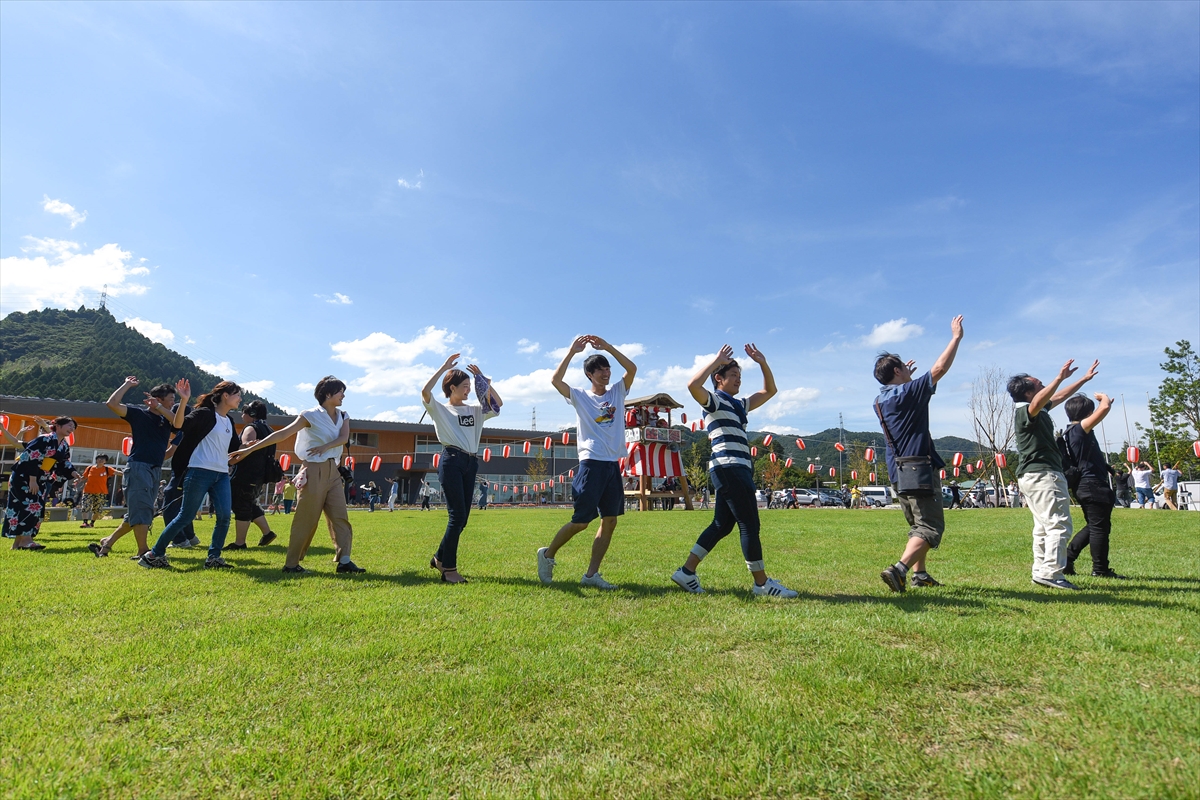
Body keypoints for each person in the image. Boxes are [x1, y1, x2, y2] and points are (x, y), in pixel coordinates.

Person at [670, 343, 797, 598]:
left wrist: (763, 363)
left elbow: (770, 390)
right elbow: (693, 385)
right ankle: (762, 584)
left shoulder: (739, 405)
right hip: (729, 468)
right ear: (719, 378)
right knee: (750, 524)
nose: (738, 380)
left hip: (737, 469)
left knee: (721, 525)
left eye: (740, 377)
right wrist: (716, 360)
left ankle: (686, 572)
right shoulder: (714, 401)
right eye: (733, 376)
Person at [229, 376, 364, 574]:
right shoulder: (310, 415)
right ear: (327, 394)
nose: (343, 395)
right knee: (306, 519)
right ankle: (291, 564)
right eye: (340, 392)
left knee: (340, 517)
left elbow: (344, 438)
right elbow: (283, 434)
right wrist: (250, 449)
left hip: (333, 471)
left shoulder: (344, 416)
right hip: (313, 469)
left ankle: (344, 560)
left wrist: (326, 446)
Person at [537, 335, 637, 590]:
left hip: (612, 464)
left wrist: (609, 348)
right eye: (600, 369)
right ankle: (547, 554)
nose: (606, 372)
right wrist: (571, 351)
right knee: (582, 521)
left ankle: (591, 575)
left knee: (610, 520)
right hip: (591, 463)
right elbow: (555, 380)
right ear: (590, 374)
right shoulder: (580, 396)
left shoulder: (617, 392)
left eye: (607, 368)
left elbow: (632, 369)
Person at [873, 316, 963, 593]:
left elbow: (904, 390)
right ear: (898, 371)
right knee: (929, 527)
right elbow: (939, 368)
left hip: (897, 471)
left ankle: (919, 574)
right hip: (919, 469)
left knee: (916, 525)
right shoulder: (907, 393)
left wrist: (906, 379)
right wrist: (956, 337)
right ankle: (899, 570)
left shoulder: (881, 398)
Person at [1008, 359, 1100, 591]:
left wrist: (1082, 380)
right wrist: (1059, 377)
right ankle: (1052, 573)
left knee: (1043, 527)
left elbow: (1057, 397)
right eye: (1039, 384)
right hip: (1043, 475)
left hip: (1034, 476)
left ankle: (1041, 571)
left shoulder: (1036, 410)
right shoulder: (1026, 410)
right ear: (1029, 392)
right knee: (1059, 524)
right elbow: (1043, 398)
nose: (1045, 387)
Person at [139, 381, 241, 569]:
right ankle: (153, 555)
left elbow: (235, 448)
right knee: (185, 516)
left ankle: (214, 558)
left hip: (221, 475)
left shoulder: (229, 420)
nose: (240, 399)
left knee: (225, 516)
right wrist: (184, 400)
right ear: (225, 395)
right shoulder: (204, 414)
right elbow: (179, 425)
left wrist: (253, 446)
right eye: (237, 395)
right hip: (199, 471)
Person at [421, 355, 503, 584]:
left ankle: (439, 557)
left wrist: (483, 381)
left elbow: (498, 404)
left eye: (470, 386)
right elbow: (425, 392)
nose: (468, 390)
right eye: (464, 387)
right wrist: (443, 368)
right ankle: (449, 570)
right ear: (452, 388)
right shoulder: (440, 409)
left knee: (463, 519)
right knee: (456, 516)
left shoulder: (476, 410)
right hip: (452, 460)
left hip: (470, 462)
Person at [86, 379, 188, 557]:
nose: (173, 403)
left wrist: (166, 406)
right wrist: (126, 385)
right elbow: (112, 404)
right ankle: (143, 551)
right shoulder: (138, 414)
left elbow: (180, 424)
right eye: (171, 399)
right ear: (158, 398)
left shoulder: (167, 419)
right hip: (138, 466)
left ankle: (107, 542)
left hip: (155, 469)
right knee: (143, 508)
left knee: (140, 510)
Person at [1062, 393, 1126, 579]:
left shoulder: (1069, 432)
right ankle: (1100, 569)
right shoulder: (1080, 429)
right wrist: (1104, 398)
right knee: (1099, 528)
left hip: (1085, 485)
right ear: (1088, 413)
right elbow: (1104, 408)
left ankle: (1067, 559)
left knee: (1096, 526)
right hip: (1092, 485)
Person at [3, 417, 80, 549]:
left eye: (73, 427)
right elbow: (32, 457)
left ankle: (18, 543)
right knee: (30, 506)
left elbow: (64, 462)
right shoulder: (43, 439)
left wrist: (73, 473)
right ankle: (26, 540)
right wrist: (32, 480)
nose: (71, 429)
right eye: (69, 425)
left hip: (41, 478)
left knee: (35, 507)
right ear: (58, 426)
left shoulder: (63, 445)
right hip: (25, 477)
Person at [225, 401, 278, 550]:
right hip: (260, 474)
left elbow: (245, 448)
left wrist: (230, 461)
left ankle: (240, 543)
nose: (242, 415)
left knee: (241, 504)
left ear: (251, 414)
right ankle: (267, 533)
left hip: (246, 473)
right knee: (250, 503)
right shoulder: (269, 429)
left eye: (244, 412)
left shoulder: (251, 428)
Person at [77, 455, 116, 528]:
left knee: (97, 509)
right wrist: (78, 480)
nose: (101, 460)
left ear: (105, 461)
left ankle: (92, 523)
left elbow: (117, 472)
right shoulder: (90, 468)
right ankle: (85, 522)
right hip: (88, 491)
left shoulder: (107, 469)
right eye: (99, 458)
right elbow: (84, 477)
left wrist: (128, 473)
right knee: (85, 506)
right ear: (96, 460)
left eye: (103, 459)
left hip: (101, 492)